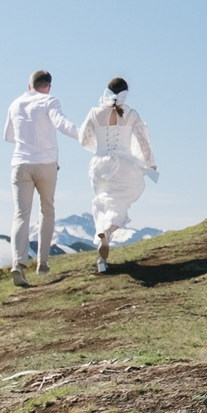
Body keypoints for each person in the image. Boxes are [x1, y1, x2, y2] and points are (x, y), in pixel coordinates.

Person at [78, 76, 159, 274]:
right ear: (125, 93)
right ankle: (107, 232)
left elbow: (83, 139)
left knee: (103, 202)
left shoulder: (94, 113)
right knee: (119, 203)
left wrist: (99, 149)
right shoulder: (131, 114)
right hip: (125, 166)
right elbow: (144, 142)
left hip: (99, 166)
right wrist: (149, 164)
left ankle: (101, 259)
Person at [3, 71, 76, 286]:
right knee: (47, 210)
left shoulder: (15, 104)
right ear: (49, 86)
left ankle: (18, 264)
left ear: (29, 85)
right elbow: (61, 124)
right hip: (46, 165)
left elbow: (8, 136)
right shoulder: (50, 101)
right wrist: (83, 134)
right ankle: (42, 263)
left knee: (20, 215)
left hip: (20, 164)